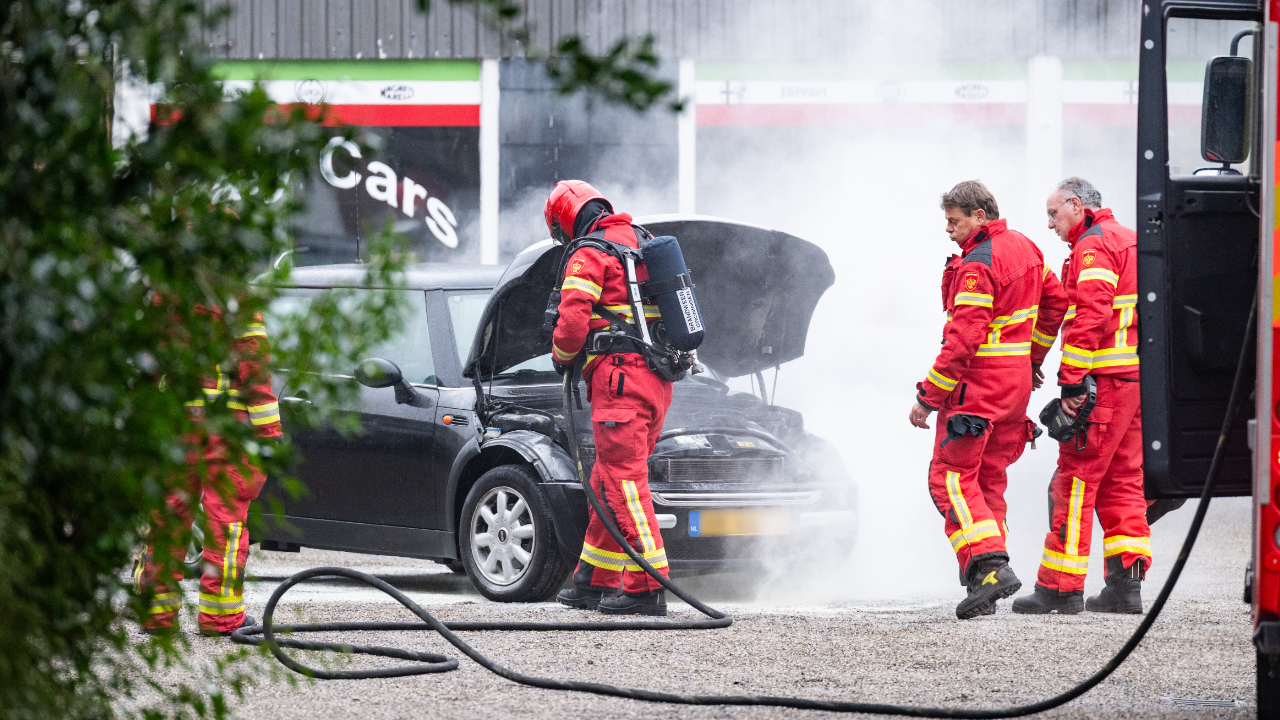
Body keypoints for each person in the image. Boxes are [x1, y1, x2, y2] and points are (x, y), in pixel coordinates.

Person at [911, 180, 1069, 619]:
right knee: (988, 482)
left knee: (949, 477)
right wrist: (1032, 357)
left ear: (980, 216)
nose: (948, 230)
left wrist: (927, 397)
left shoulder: (978, 265)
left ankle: (990, 565)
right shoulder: (1028, 248)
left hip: (976, 388)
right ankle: (985, 583)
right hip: (1014, 388)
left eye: (954, 221)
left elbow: (962, 341)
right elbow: (1056, 303)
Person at [1013, 177, 1151, 615]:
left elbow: (1092, 313)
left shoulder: (1094, 246)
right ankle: (1126, 588)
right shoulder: (1131, 239)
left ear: (1076, 204)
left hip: (1103, 383)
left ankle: (1060, 587)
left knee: (1073, 480)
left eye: (1054, 213)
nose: (1050, 224)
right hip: (1135, 381)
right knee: (1125, 481)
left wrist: (1071, 382)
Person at [546, 180, 673, 616]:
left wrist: (560, 355)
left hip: (620, 380)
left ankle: (646, 586)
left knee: (623, 482)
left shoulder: (589, 252)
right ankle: (592, 580)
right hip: (656, 380)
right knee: (606, 479)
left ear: (566, 222)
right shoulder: (644, 242)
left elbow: (572, 325)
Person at [135, 305, 281, 636]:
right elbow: (254, 371)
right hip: (227, 432)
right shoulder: (235, 298)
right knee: (225, 524)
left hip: (175, 426)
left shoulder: (167, 292)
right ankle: (220, 619)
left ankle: (156, 616)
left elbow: (147, 364)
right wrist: (269, 436)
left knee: (167, 516)